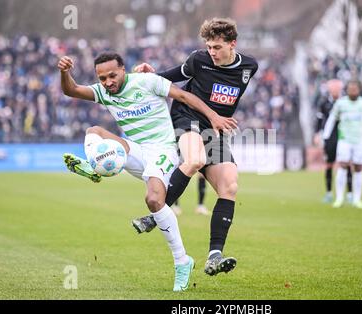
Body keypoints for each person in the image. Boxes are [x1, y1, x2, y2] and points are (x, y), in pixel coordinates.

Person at [57, 52, 236, 291]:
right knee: (94, 130)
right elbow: (72, 90)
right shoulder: (103, 92)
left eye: (112, 75)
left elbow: (184, 95)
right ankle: (95, 167)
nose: (108, 82)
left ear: (123, 70)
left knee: (154, 199)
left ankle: (182, 261)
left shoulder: (147, 81)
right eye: (102, 78)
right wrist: (64, 71)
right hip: (138, 150)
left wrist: (213, 116)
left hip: (164, 150)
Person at [131, 17, 258, 276]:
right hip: (186, 118)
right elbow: (172, 77)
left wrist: (216, 119)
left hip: (215, 129)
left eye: (217, 47)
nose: (212, 52)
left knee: (230, 185)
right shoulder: (198, 60)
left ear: (232, 44)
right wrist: (149, 75)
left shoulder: (249, 67)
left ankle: (214, 255)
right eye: (209, 46)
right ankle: (157, 213)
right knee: (195, 159)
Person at [323, 80, 362, 209]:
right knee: (342, 166)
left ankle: (357, 199)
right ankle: (339, 199)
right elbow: (331, 119)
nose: (353, 91)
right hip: (344, 139)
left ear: (359, 90)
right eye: (350, 89)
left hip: (359, 140)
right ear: (347, 90)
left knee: (358, 168)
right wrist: (326, 136)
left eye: (355, 89)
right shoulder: (341, 104)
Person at [315, 79, 352, 204]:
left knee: (346, 163)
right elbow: (319, 120)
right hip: (330, 136)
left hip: (343, 135)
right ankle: (329, 193)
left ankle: (350, 193)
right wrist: (317, 133)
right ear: (330, 89)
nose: (335, 90)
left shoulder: (346, 102)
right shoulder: (324, 102)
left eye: (337, 88)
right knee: (329, 164)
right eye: (333, 88)